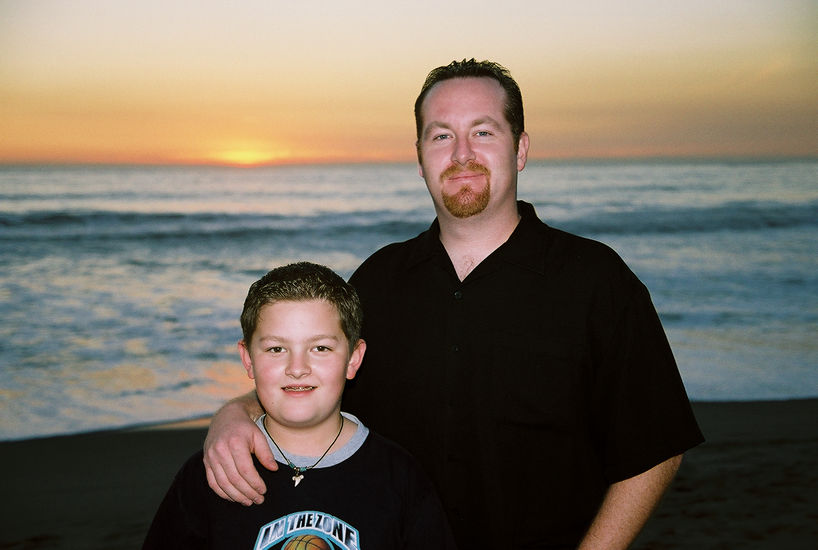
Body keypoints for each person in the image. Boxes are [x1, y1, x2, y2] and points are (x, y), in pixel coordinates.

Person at [203, 59, 704, 548]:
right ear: (420, 158)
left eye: (483, 132)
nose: (462, 154)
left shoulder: (596, 281)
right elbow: (314, 385)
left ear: (520, 149)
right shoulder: (378, 281)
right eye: (441, 136)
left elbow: (655, 448)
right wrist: (235, 414)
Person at [144, 262, 457, 549]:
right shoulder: (214, 472)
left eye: (320, 348)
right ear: (248, 359)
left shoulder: (400, 478)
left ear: (353, 359)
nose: (297, 368)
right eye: (276, 349)